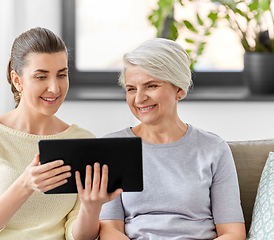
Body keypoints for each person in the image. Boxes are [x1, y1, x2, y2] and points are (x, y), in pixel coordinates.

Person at [0, 27, 121, 240]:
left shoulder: (82, 141)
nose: (54, 88)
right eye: (41, 77)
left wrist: (91, 208)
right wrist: (24, 185)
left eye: (62, 75)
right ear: (17, 81)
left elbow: (78, 236)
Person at [98, 38, 246, 240]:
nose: (139, 98)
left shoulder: (214, 148)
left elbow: (232, 233)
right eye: (131, 88)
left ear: (179, 89)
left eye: (151, 86)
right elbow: (109, 229)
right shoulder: (112, 147)